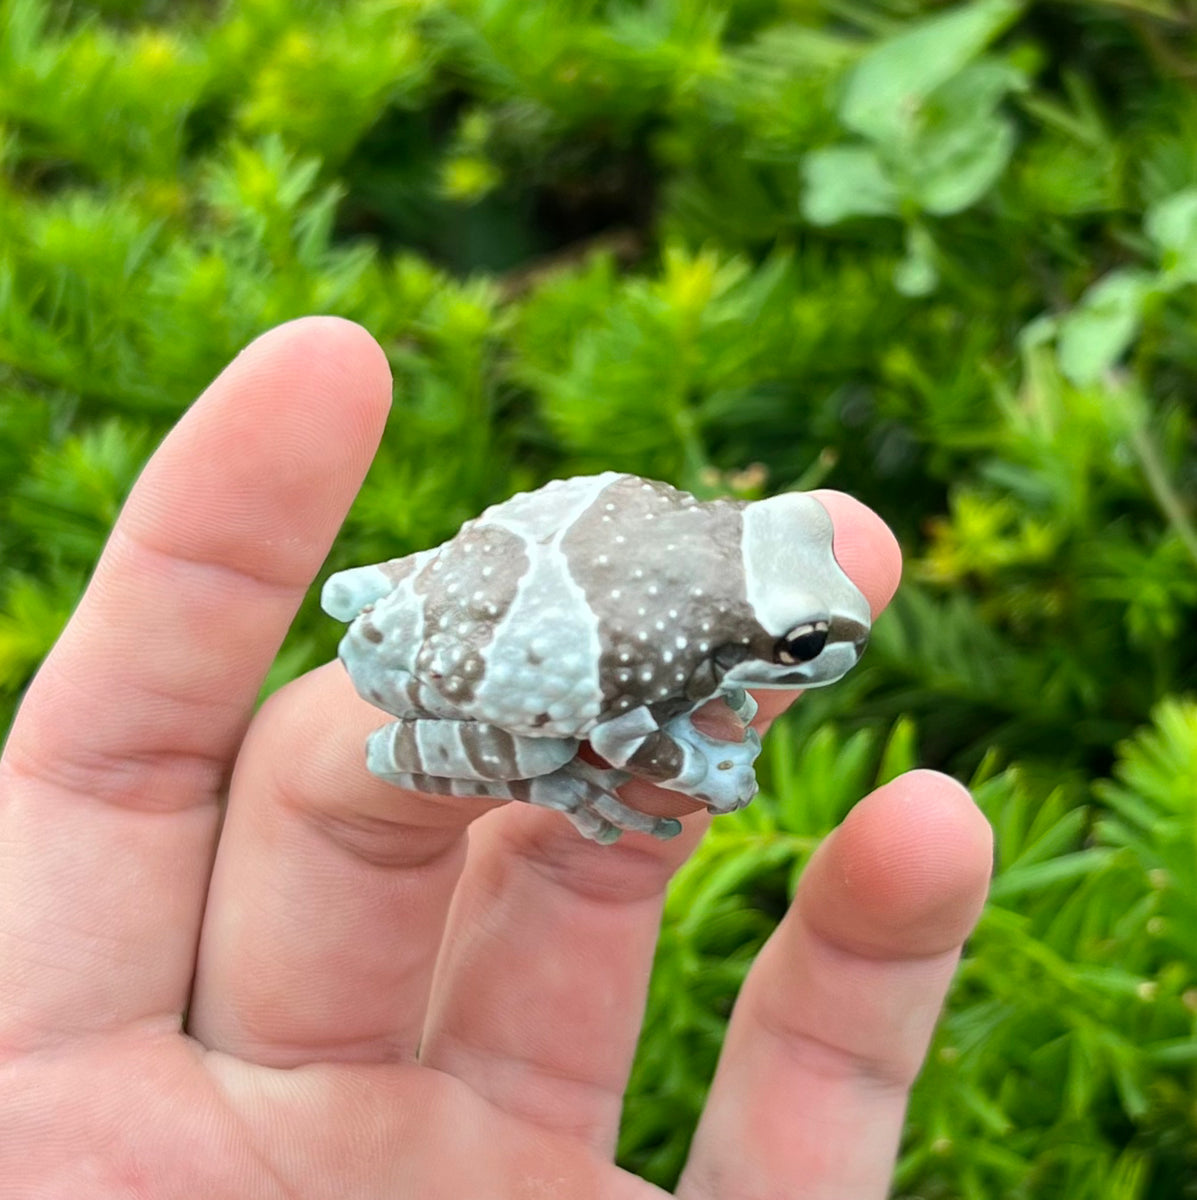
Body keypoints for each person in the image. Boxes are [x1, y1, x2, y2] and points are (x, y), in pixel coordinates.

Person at [0, 318, 992, 1198]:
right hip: (459, 684)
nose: (829, 652)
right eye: (803, 648)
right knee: (565, 735)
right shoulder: (673, 646)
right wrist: (682, 764)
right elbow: (615, 735)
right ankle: (531, 768)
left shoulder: (694, 587)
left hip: (450, 590)